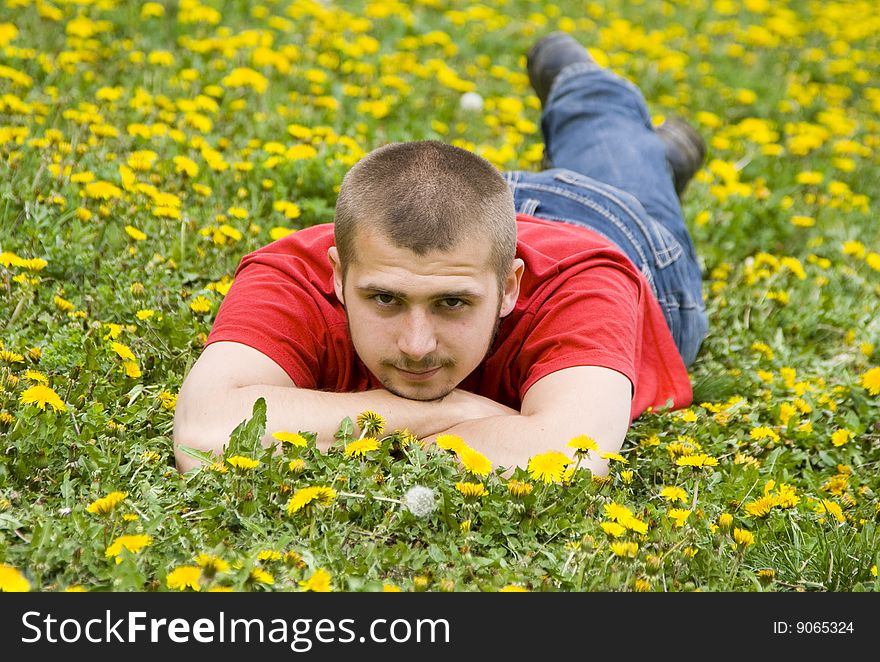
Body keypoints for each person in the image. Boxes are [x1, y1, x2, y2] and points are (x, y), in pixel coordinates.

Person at [172, 32, 709, 477]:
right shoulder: (294, 272)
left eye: (452, 303)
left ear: (510, 287)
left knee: (613, 146)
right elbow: (203, 431)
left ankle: (587, 88)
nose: (416, 346)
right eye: (384, 298)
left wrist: (348, 423)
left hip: (602, 223)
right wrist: (451, 412)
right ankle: (658, 156)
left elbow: (573, 459)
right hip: (472, 216)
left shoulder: (582, 283)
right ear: (336, 275)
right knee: (631, 159)